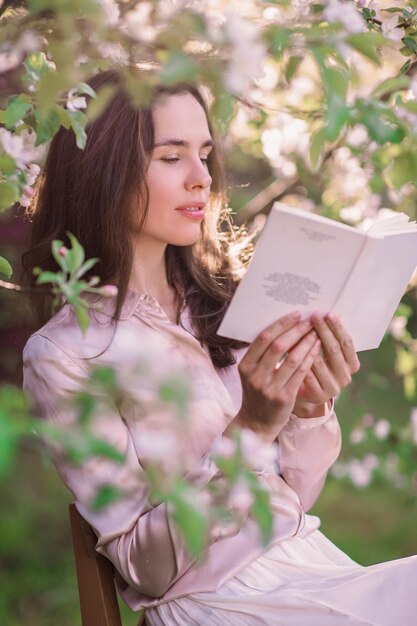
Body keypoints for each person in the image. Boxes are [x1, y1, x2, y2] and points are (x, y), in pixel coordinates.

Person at [22, 70, 417, 625]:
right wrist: (249, 431)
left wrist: (305, 408)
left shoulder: (231, 305)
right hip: (218, 603)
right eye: (171, 157)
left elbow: (293, 503)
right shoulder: (65, 354)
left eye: (205, 155)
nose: (201, 178)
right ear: (104, 172)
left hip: (310, 568)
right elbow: (143, 567)